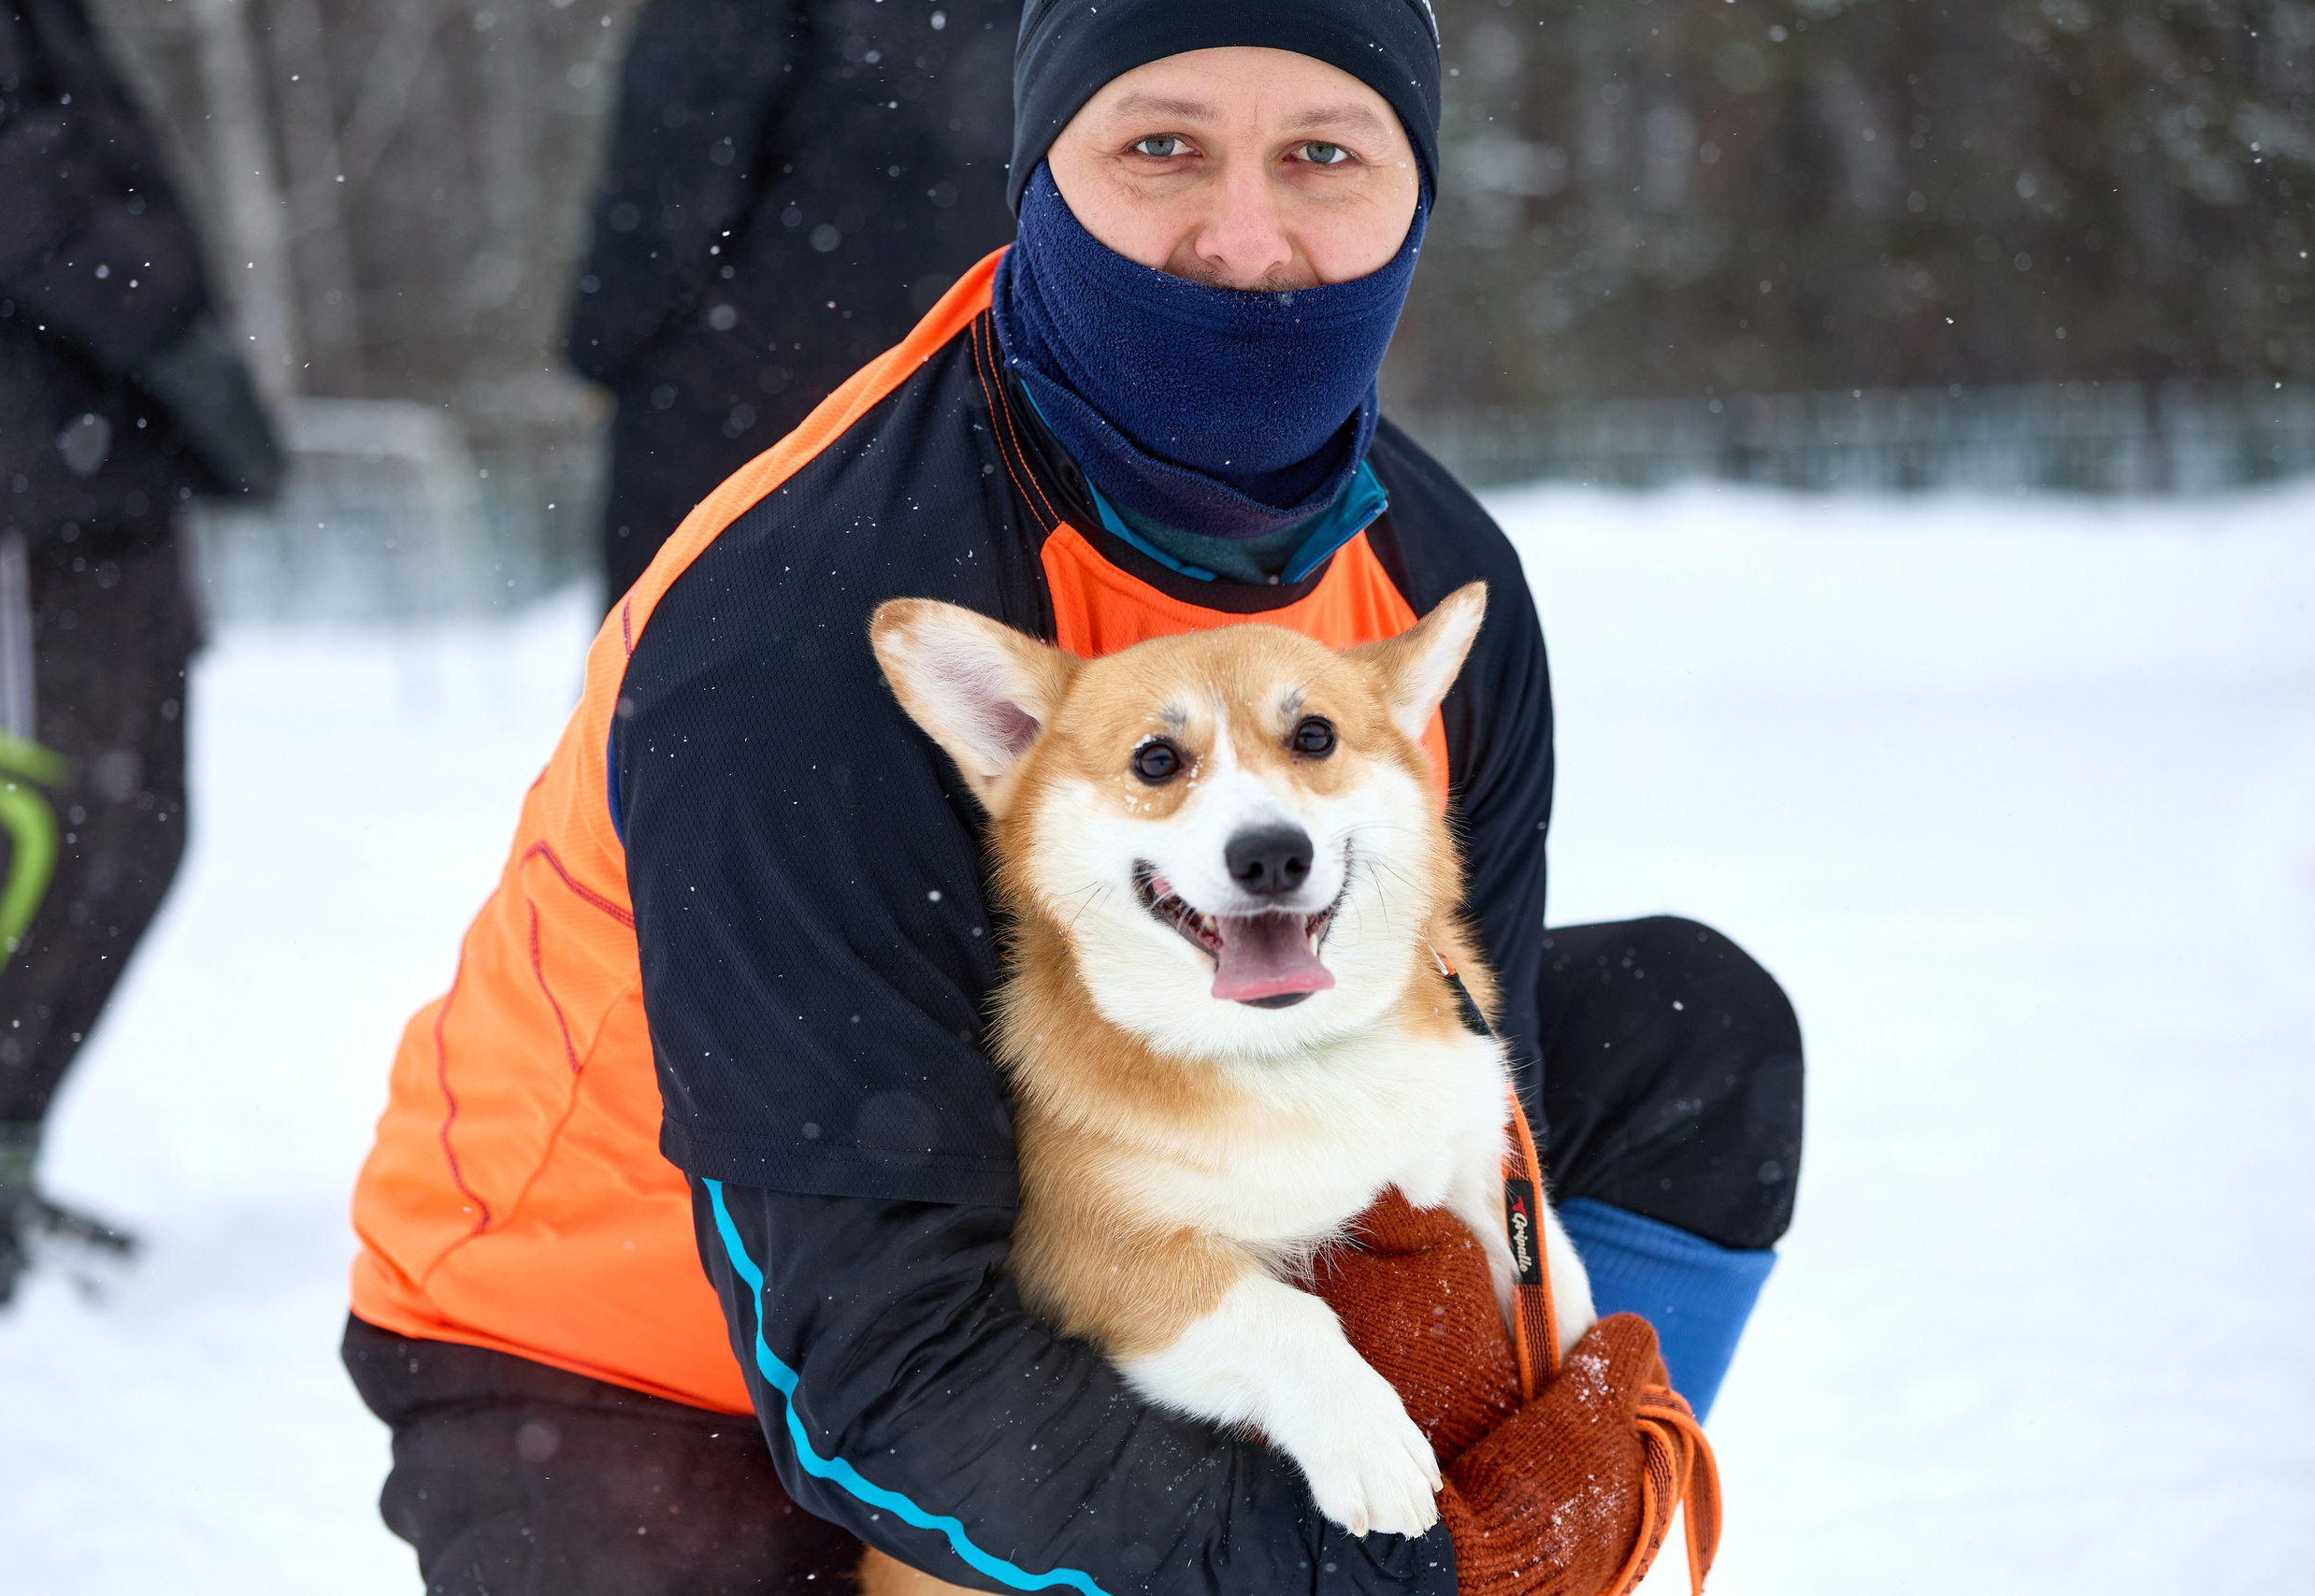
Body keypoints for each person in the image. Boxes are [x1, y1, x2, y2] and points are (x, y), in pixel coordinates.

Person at [345, 3, 1804, 1592]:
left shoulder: (1441, 575)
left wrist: (1516, 1477)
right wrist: (1401, 1578)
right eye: (1161, 145)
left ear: (1417, 197)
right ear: (1040, 170)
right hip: (636, 1363)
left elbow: (1461, 1086)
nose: (1242, 238)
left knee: (1689, 1036)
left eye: (1323, 155)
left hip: (1136, 1195)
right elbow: (875, 1365)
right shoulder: (797, 624)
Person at [0, 0, 283, 1304]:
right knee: (47, 825)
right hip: (2, 464)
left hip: (113, 455)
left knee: (141, 832)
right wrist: (165, 316)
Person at [567, 0, 1022, 606]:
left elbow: (668, 183)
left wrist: (599, 346)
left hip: (748, 399)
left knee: (699, 643)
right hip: (964, 397)